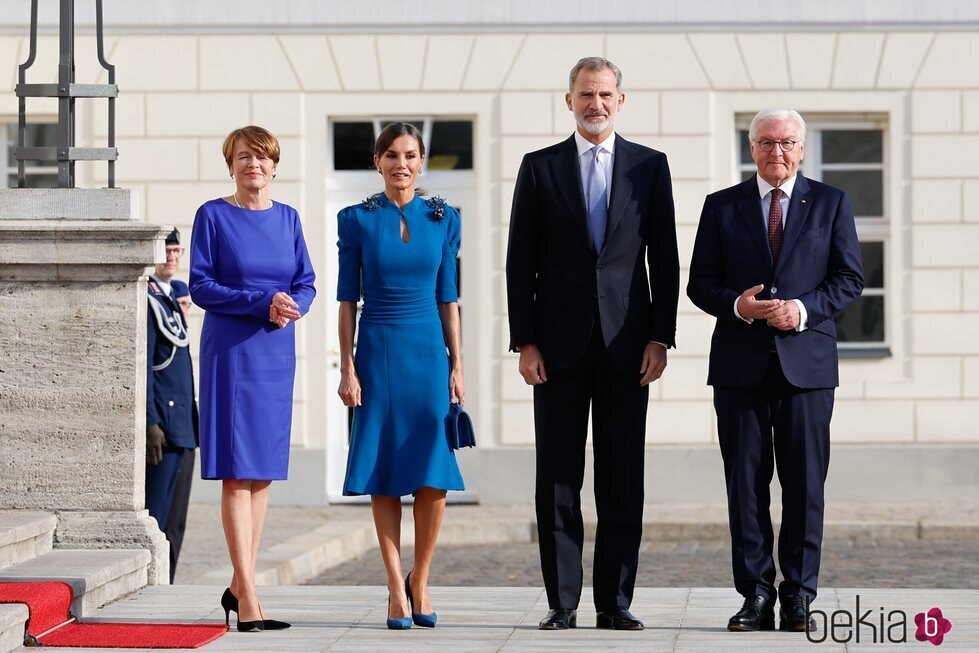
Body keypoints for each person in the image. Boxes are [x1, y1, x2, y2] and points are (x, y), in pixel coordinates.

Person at [505, 57, 679, 631]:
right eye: (585, 94)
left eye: (605, 94)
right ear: (569, 100)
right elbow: (519, 263)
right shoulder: (539, 168)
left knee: (622, 476)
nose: (595, 104)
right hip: (556, 349)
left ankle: (616, 601)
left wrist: (661, 335)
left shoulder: (650, 168)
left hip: (630, 347)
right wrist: (525, 342)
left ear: (621, 101)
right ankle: (563, 601)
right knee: (557, 477)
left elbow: (666, 259)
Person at [687, 108, 864, 633]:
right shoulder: (722, 207)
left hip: (806, 366)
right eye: (766, 143)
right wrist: (737, 306)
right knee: (745, 485)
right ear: (751, 147)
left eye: (786, 143)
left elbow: (849, 278)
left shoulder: (831, 203)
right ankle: (756, 594)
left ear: (802, 148)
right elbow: (700, 282)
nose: (776, 152)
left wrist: (803, 310)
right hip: (740, 366)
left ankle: (799, 595)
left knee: (806, 485)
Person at [336, 121, 465, 630]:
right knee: (385, 472)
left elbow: (448, 298)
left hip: (428, 352)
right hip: (378, 350)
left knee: (433, 474)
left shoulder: (444, 218)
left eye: (410, 155)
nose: (401, 164)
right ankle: (394, 585)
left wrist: (458, 364)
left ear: (422, 161)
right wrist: (347, 365)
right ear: (378, 161)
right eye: (391, 155)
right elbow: (348, 300)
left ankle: (422, 579)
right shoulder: (357, 220)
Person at [189, 125, 316, 632]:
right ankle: (249, 597)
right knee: (238, 472)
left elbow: (305, 281)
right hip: (232, 353)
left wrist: (295, 306)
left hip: (275, 350)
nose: (253, 166)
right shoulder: (212, 215)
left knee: (261, 472)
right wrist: (260, 301)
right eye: (244, 157)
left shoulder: (288, 218)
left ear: (275, 165)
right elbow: (201, 286)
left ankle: (241, 586)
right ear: (231, 165)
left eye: (262, 158)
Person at [145, 228, 198, 584]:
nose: (172, 257)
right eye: (167, 251)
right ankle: (152, 582)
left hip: (184, 425)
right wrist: (150, 420)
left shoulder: (174, 295)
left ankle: (169, 582)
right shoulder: (148, 299)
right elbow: (145, 364)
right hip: (163, 425)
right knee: (158, 516)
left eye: (177, 251)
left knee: (176, 521)